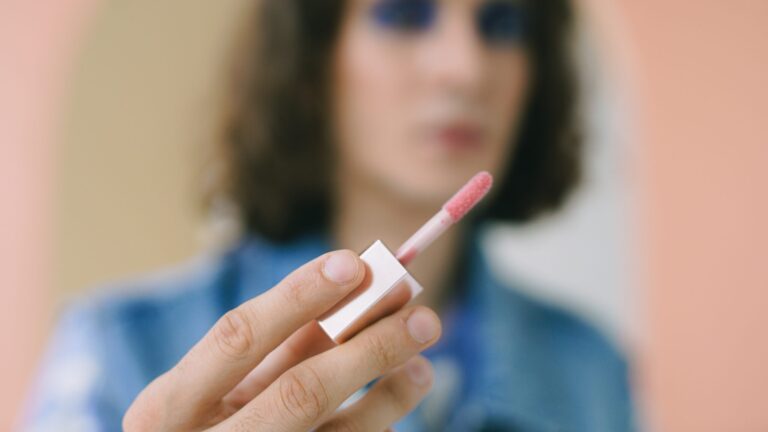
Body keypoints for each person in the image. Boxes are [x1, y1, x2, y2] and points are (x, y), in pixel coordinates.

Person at [22, 0, 634, 430]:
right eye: (403, 14)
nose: (464, 69)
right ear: (312, 65)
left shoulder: (590, 371)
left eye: (500, 22)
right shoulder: (116, 346)